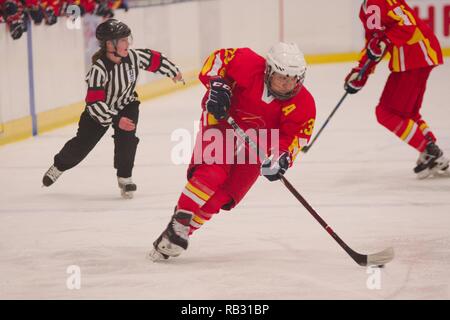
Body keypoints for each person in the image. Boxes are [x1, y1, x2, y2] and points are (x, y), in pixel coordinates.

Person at [149, 42, 316, 261]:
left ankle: (176, 236)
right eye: (282, 77)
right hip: (223, 118)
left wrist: (281, 157)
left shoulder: (304, 103)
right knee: (213, 172)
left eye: (294, 78)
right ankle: (179, 222)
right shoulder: (247, 62)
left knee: (226, 194)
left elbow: (295, 137)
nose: (288, 84)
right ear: (268, 70)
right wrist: (218, 85)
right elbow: (215, 61)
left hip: (260, 138)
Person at [42, 18, 183, 198]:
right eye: (123, 40)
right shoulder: (98, 70)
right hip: (100, 111)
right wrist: (116, 119)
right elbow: (94, 103)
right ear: (110, 44)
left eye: (127, 39)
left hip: (127, 104)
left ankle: (125, 178)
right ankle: (59, 165)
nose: (127, 43)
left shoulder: (133, 57)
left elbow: (154, 59)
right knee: (82, 145)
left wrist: (173, 71)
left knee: (127, 140)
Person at [344, 0, 449, 178]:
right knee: (408, 113)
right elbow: (374, 44)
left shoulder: (375, 2)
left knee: (386, 112)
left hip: (414, 56)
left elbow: (408, 25)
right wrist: (360, 73)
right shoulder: (368, 7)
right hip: (419, 55)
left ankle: (429, 150)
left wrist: (386, 41)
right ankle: (431, 149)